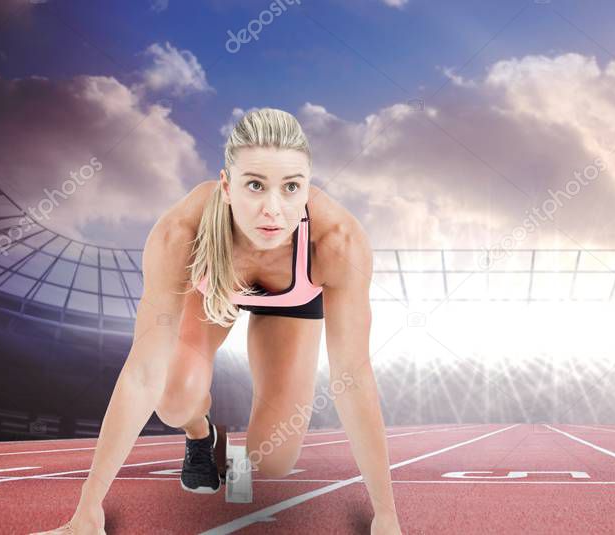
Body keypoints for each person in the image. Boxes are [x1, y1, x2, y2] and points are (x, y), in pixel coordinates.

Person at [32, 108, 401, 535]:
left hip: (293, 303)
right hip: (216, 284)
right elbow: (141, 372)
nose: (273, 211)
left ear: (308, 188)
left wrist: (386, 516)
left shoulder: (337, 242)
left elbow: (352, 377)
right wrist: (88, 512)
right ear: (227, 186)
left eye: (291, 188)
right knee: (172, 397)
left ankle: (236, 459)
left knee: (275, 459)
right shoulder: (181, 233)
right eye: (255, 186)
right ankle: (202, 435)